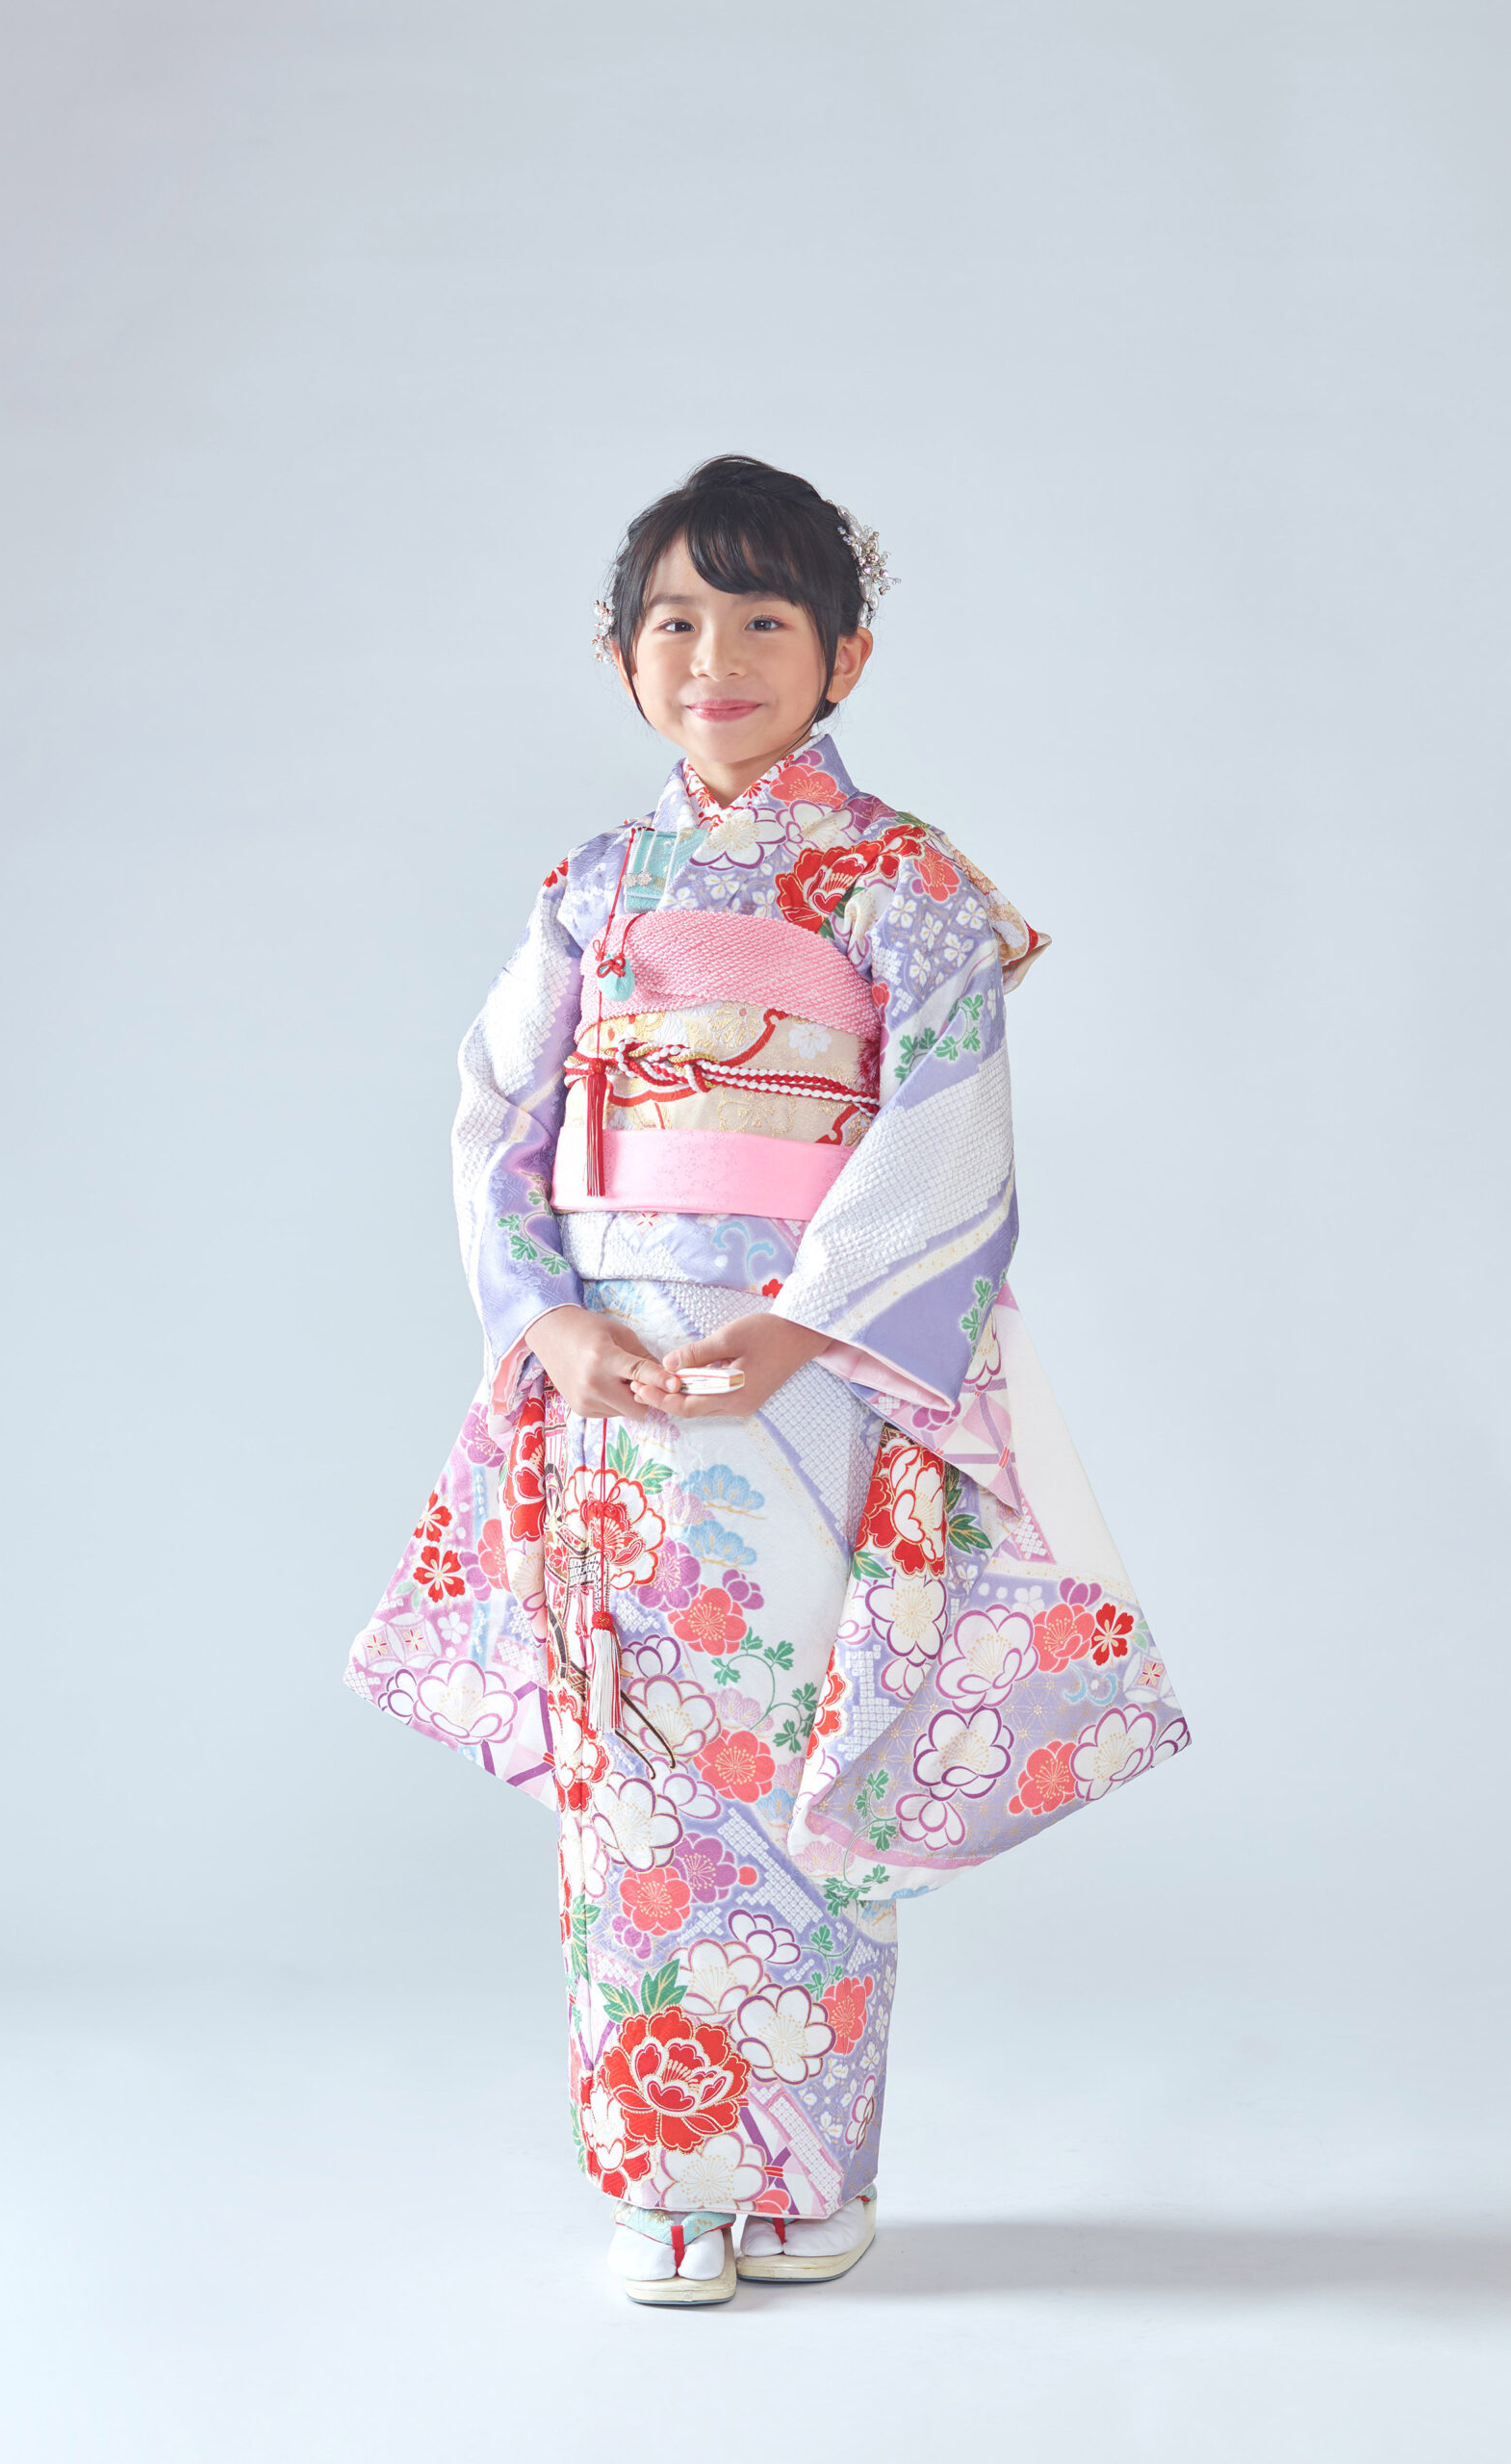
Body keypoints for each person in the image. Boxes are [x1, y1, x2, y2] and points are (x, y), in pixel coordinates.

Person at [346, 455, 1189, 2306]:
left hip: (809, 1372)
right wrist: (546, 1322)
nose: (713, 657)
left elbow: (947, 1129)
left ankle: (811, 2173)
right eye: (673, 621)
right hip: (620, 1371)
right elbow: (497, 1116)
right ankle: (666, 2178)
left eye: (761, 620)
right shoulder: (591, 889)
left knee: (801, 1748)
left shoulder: (904, 882)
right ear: (617, 654)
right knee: (636, 1767)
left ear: (844, 657)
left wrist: (810, 1322)